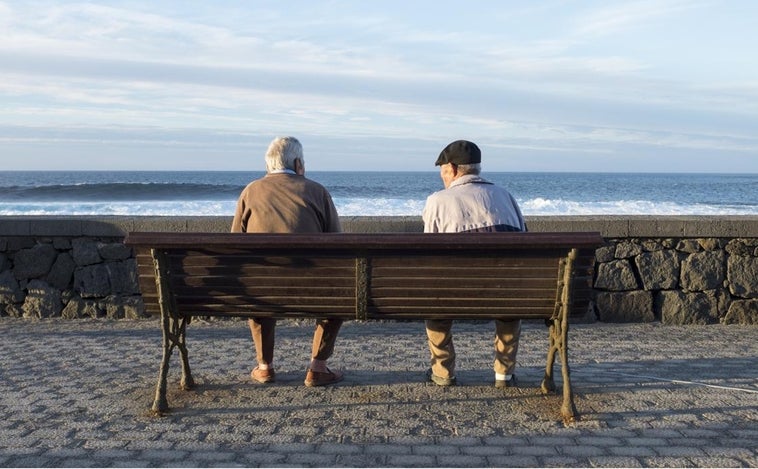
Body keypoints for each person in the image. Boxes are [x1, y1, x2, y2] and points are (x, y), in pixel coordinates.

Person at [231, 136, 344, 387]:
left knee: (258, 283)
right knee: (340, 297)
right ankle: (318, 367)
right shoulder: (317, 191)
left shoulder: (250, 191)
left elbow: (234, 242)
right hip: (312, 289)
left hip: (263, 290)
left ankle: (264, 367)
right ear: (298, 163)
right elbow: (338, 242)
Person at [422, 139, 527, 388]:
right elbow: (524, 242)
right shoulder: (506, 196)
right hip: (503, 294)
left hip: (454, 294)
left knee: (434, 302)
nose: (442, 177)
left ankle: (443, 371)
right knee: (509, 302)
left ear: (452, 168)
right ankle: (504, 373)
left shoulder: (438, 201)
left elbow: (428, 253)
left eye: (443, 171)